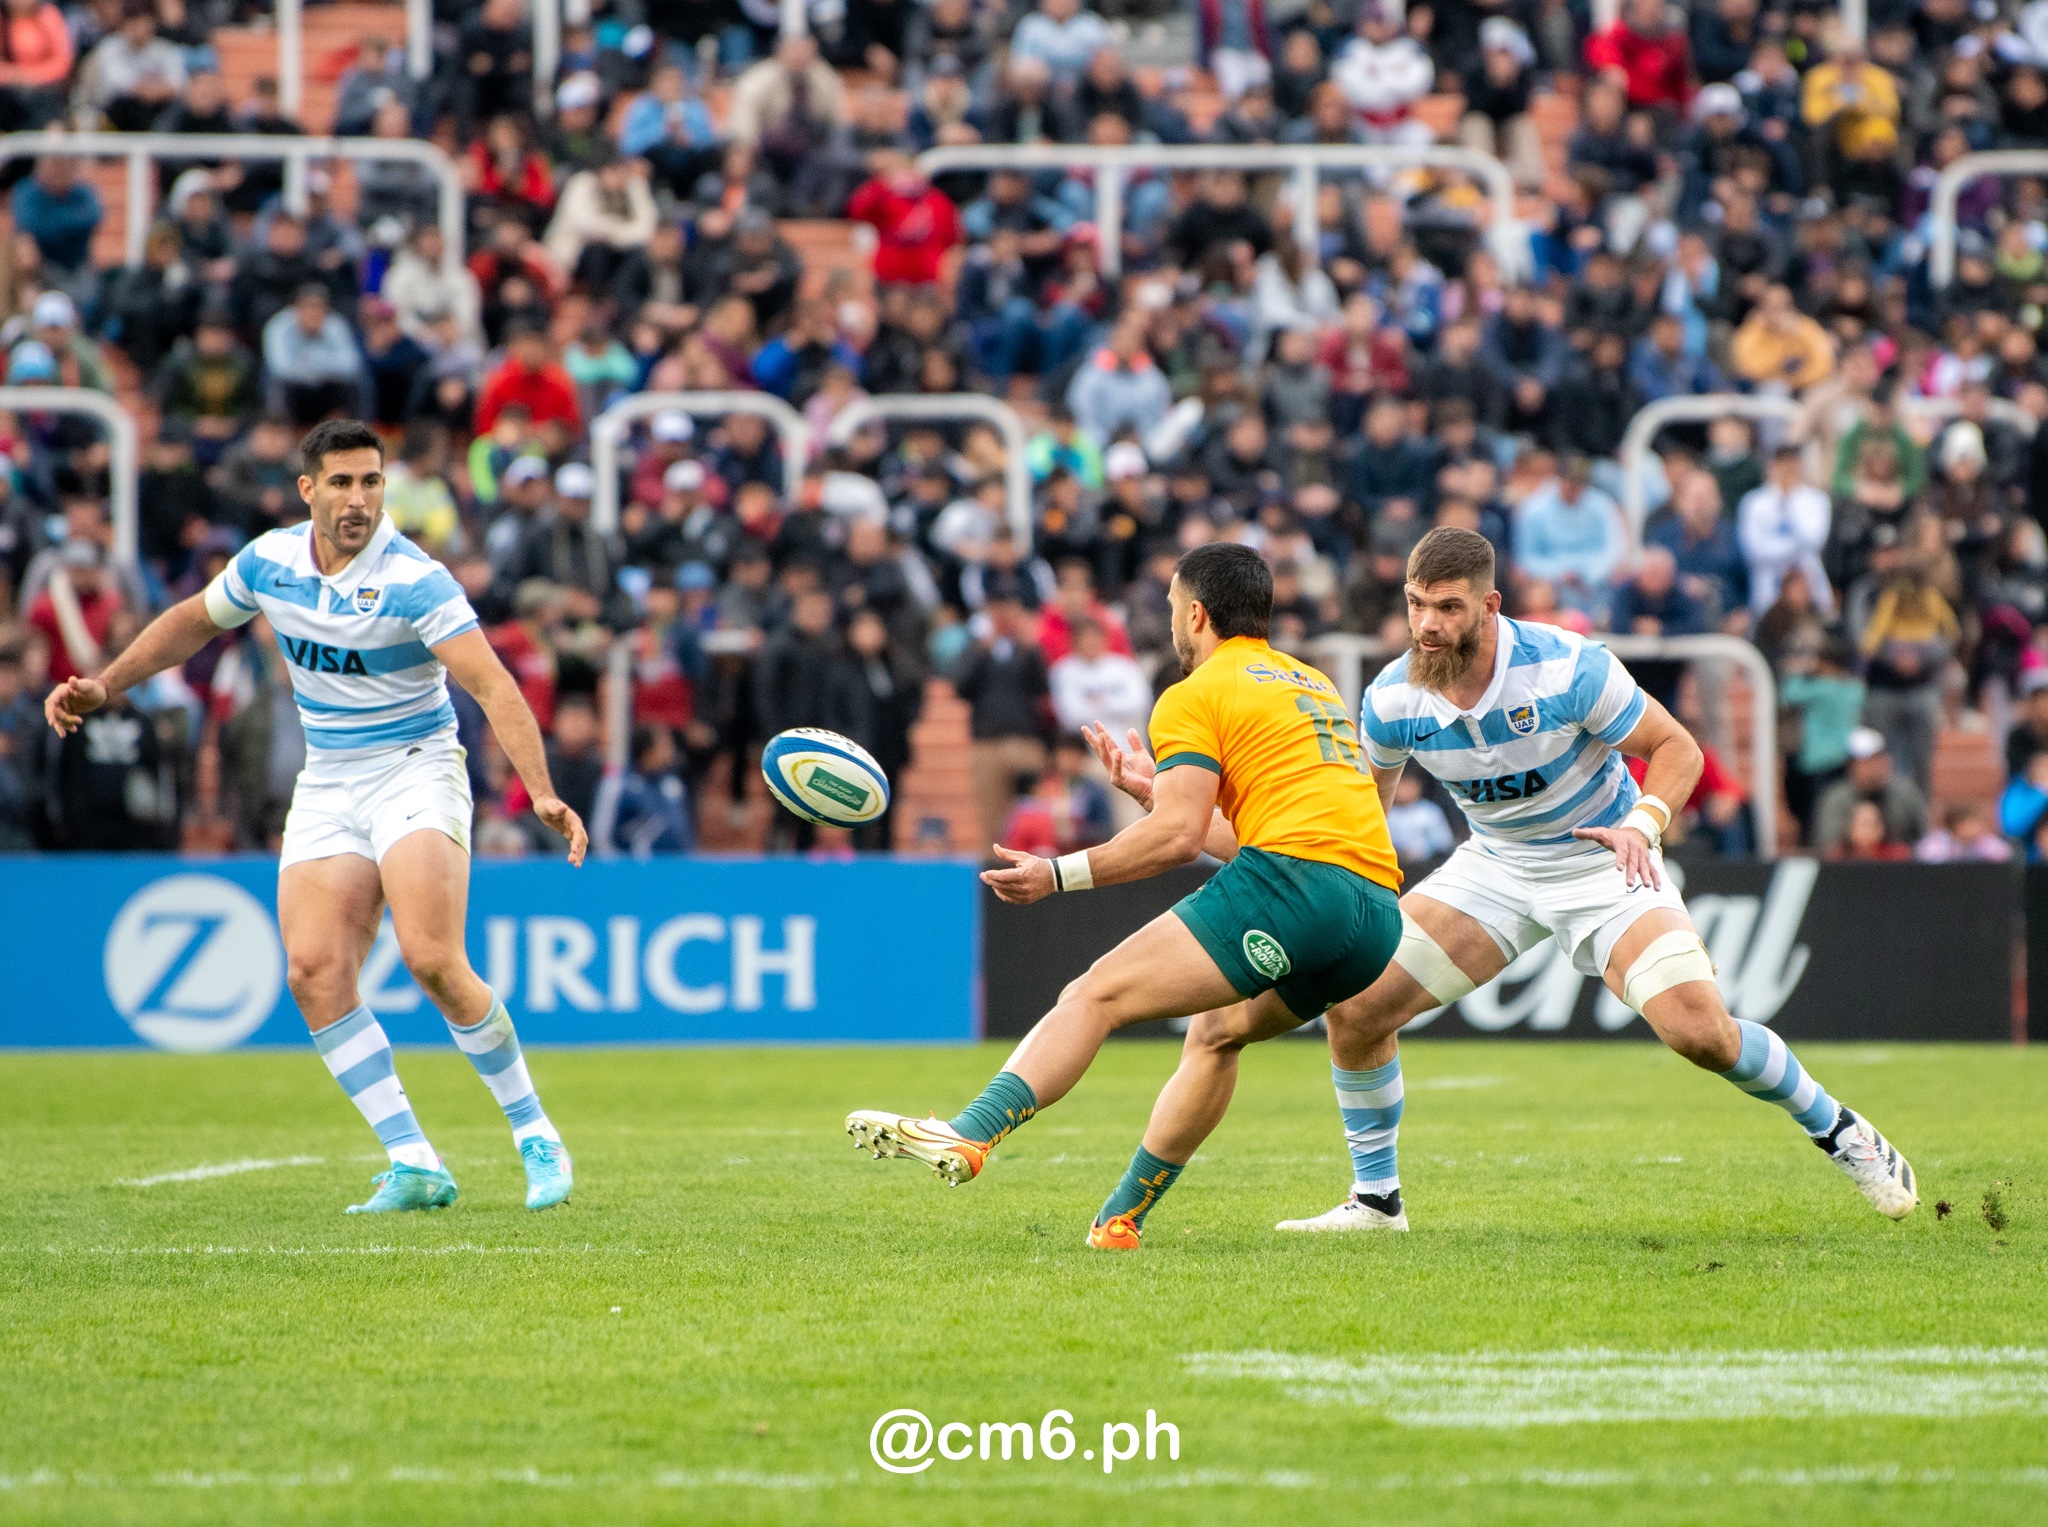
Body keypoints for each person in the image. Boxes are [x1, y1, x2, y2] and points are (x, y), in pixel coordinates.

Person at [1249, 528, 1916, 1233]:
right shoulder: (1393, 697)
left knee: (1702, 1035)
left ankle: (1838, 1128)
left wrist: (1642, 825)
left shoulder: (1567, 668)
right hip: (1496, 866)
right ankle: (1377, 1201)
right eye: (1416, 605)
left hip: (1605, 859)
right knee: (1356, 1008)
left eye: (1447, 607)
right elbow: (1365, 815)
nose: (1427, 625)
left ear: (1490, 606)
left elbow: (1678, 747)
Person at [43, 420, 588, 1215]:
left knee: (432, 958)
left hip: (414, 766)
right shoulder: (270, 561)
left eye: (371, 481)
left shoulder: (416, 579)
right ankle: (413, 1159)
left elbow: (492, 684)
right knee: (312, 971)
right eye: (341, 482)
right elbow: (193, 619)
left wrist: (540, 790)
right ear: (308, 490)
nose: (358, 499)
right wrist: (107, 683)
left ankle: (536, 1132)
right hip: (330, 777)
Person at [847, 543, 1405, 1252]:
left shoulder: (1194, 692)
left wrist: (1057, 874)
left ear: (1195, 614)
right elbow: (1255, 831)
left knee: (1093, 994)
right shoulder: (1312, 683)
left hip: (1294, 886)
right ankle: (1119, 1220)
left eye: (1173, 608)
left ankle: (970, 1131)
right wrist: (1155, 794)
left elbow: (1176, 840)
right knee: (1216, 1033)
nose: (1171, 622)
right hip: (1375, 911)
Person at [1814, 726, 1929, 857]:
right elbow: (1829, 845)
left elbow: (1924, 841)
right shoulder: (1837, 797)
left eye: (1876, 759)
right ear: (1852, 767)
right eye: (1864, 762)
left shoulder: (1905, 794)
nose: (1871, 768)